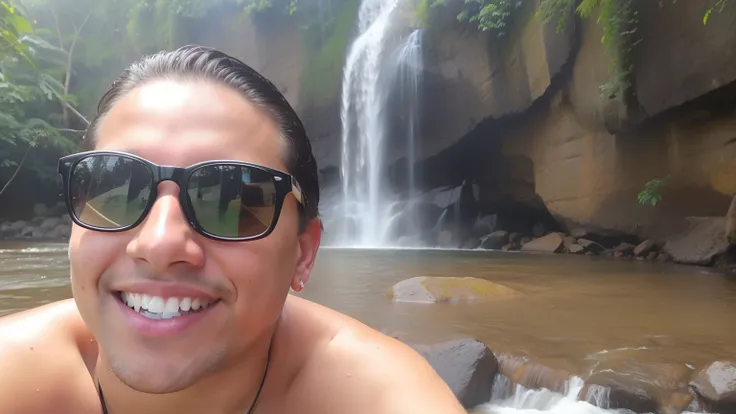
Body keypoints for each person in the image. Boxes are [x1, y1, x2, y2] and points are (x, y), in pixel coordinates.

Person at [0, 45, 467, 414]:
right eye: (116, 188)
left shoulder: (375, 394)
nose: (160, 244)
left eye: (233, 200)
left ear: (303, 254)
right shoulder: (15, 375)